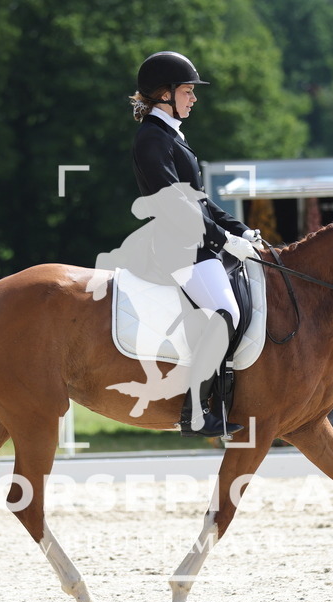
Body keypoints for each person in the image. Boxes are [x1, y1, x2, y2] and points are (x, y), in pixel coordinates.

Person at [126, 51, 261, 438]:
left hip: (196, 244)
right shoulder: (152, 138)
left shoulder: (169, 135)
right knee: (226, 313)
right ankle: (197, 412)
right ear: (164, 94)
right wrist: (224, 240)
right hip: (178, 248)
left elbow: (200, 201)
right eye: (188, 91)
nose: (194, 98)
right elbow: (174, 202)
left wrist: (241, 231)